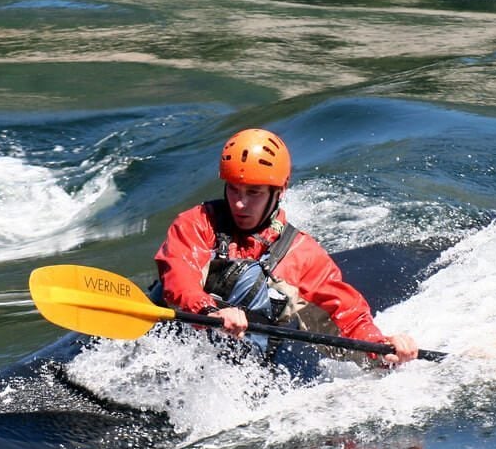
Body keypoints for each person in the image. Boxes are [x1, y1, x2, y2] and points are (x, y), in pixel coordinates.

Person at [153, 128, 418, 365]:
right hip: (170, 343)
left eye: (254, 193)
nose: (240, 203)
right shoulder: (196, 223)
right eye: (234, 190)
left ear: (279, 192)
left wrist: (380, 347)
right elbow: (180, 279)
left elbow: (348, 314)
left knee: (256, 282)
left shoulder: (301, 254)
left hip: (232, 367)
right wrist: (210, 311)